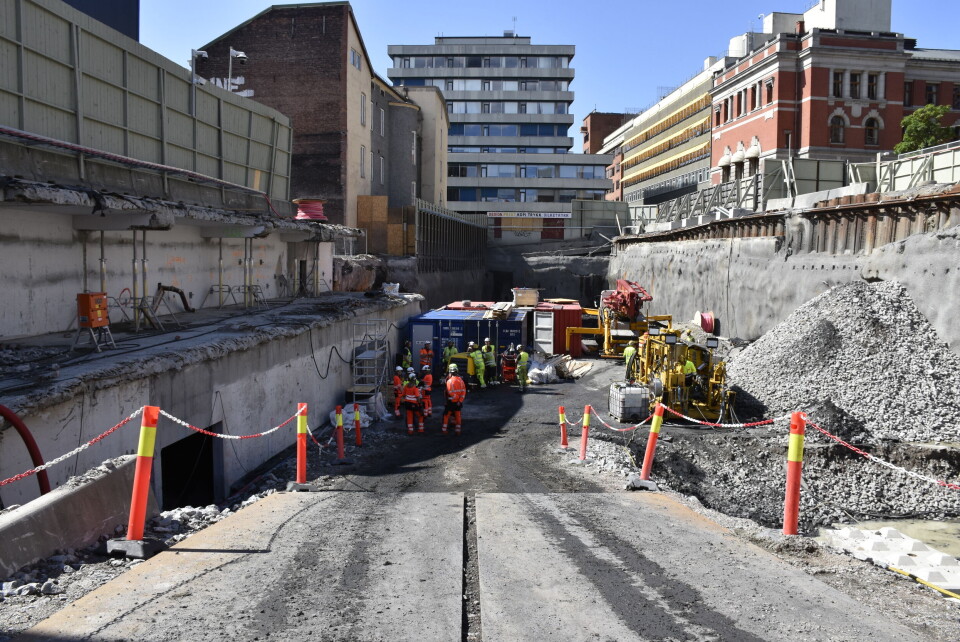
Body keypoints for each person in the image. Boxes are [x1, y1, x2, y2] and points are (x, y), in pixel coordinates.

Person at [443, 363, 467, 435]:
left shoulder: (449, 381)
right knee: (458, 416)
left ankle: (444, 430)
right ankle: (458, 431)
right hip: (458, 403)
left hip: (451, 402)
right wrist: (460, 401)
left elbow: (449, 392)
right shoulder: (461, 380)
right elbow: (463, 391)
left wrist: (455, 399)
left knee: (446, 415)